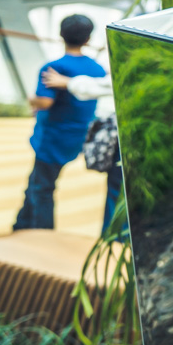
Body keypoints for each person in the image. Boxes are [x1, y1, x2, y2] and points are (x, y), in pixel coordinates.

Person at [12, 15, 107, 230]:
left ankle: (42, 237)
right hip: (77, 137)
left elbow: (44, 102)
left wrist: (31, 99)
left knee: (42, 189)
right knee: (36, 183)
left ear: (61, 35)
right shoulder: (97, 70)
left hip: (52, 139)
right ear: (88, 38)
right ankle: (20, 226)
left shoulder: (54, 67)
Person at [41, 69, 121, 232]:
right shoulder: (94, 67)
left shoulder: (55, 67)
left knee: (117, 193)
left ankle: (112, 243)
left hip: (53, 145)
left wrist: (68, 82)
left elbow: (102, 86)